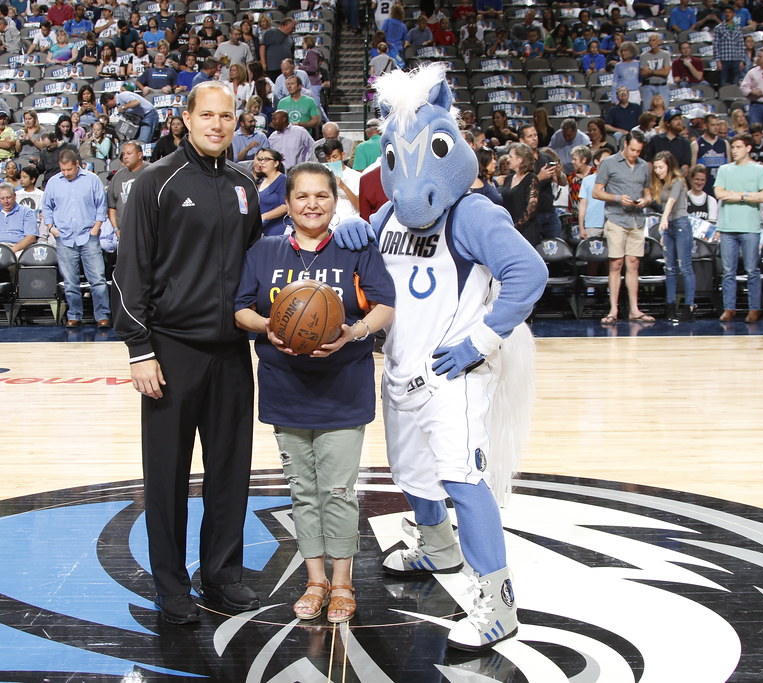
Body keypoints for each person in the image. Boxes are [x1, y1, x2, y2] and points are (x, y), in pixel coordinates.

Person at [332, 64, 547, 651]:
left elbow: (528, 272)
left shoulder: (472, 213)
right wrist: (353, 232)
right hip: (401, 364)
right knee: (410, 473)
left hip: (458, 369)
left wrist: (481, 342)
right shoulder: (393, 213)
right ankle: (437, 544)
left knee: (463, 477)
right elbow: (366, 243)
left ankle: (498, 605)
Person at [112, 80, 263, 624]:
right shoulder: (156, 182)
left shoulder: (246, 185)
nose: (218, 125)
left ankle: (223, 574)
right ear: (186, 118)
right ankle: (172, 585)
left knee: (230, 471)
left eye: (227, 116)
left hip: (230, 354)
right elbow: (130, 271)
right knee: (168, 476)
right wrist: (139, 349)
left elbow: (254, 268)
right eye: (208, 115)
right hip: (170, 351)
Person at [234, 162, 395, 623]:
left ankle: (343, 583)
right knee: (303, 492)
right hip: (285, 387)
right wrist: (269, 324)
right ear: (287, 203)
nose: (311, 205)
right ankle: (315, 580)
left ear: (334, 200)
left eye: (321, 196)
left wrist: (355, 332)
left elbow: (386, 304)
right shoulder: (263, 252)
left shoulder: (355, 247)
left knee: (339, 491)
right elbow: (240, 308)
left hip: (343, 389)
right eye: (301, 196)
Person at [42, 149, 110, 328]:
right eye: (62, 170)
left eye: (69, 170)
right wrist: (51, 228)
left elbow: (101, 205)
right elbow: (46, 207)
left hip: (88, 236)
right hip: (63, 237)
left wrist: (96, 228)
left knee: (98, 279)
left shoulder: (92, 179)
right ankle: (74, 315)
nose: (65, 173)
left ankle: (102, 315)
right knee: (70, 281)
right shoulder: (53, 182)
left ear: (77, 165)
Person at [593, 130, 655, 324]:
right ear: (625, 145)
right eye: (633, 149)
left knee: (634, 264)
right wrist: (618, 198)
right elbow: (596, 192)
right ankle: (613, 309)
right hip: (616, 218)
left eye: (639, 151)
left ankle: (634, 310)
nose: (635, 154)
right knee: (616, 264)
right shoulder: (609, 163)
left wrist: (645, 201)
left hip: (637, 220)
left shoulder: (644, 166)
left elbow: (648, 193)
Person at [713, 133, 763, 323]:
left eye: (739, 147)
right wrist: (748, 195)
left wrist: (739, 196)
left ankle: (754, 308)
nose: (735, 150)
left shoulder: (759, 170)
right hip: (727, 226)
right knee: (728, 270)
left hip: (750, 227)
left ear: (748, 148)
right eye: (733, 147)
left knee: (752, 270)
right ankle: (729, 308)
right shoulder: (724, 169)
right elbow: (719, 193)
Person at [650, 151, 696, 322]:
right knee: (669, 268)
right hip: (668, 228)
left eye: (661, 167)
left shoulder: (678, 181)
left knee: (685, 267)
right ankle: (670, 305)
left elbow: (671, 202)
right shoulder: (660, 184)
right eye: (655, 168)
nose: (658, 171)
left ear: (669, 166)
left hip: (680, 224)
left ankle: (689, 305)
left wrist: (663, 219)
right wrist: (664, 229)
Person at [0, 182, 39, 254]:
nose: (6, 201)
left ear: (14, 196)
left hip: (17, 249)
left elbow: (31, 237)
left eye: (8, 197)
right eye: (2, 198)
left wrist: (11, 251)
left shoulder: (27, 212)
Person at [107, 141, 145, 245]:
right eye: (123, 154)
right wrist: (115, 229)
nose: (125, 157)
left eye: (129, 154)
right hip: (125, 234)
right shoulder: (117, 177)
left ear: (139, 155)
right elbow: (112, 206)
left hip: (148, 233)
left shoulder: (152, 172)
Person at [693, 114, 731, 196]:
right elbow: (692, 171)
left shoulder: (725, 144)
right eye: (713, 125)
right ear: (705, 126)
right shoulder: (696, 144)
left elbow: (729, 169)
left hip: (721, 189)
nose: (716, 127)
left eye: (717, 125)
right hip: (703, 190)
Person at [255, 148, 287, 236]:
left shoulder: (282, 180)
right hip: (263, 229)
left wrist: (264, 216)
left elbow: (285, 206)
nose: (262, 162)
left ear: (276, 163)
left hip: (277, 230)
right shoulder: (262, 181)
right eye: (261, 159)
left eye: (267, 159)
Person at [714, 6, 744, 86]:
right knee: (723, 83)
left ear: (733, 14)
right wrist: (717, 60)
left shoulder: (738, 28)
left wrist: (741, 60)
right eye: (726, 12)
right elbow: (716, 45)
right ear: (724, 14)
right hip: (724, 59)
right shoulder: (718, 28)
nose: (727, 14)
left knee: (735, 83)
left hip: (736, 59)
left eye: (730, 12)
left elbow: (740, 44)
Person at [640, 33, 672, 108]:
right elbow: (643, 73)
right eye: (650, 40)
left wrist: (651, 72)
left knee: (664, 109)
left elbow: (666, 72)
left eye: (653, 40)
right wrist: (660, 71)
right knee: (647, 111)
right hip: (648, 86)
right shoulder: (643, 56)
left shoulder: (665, 54)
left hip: (662, 86)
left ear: (659, 42)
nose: (651, 42)